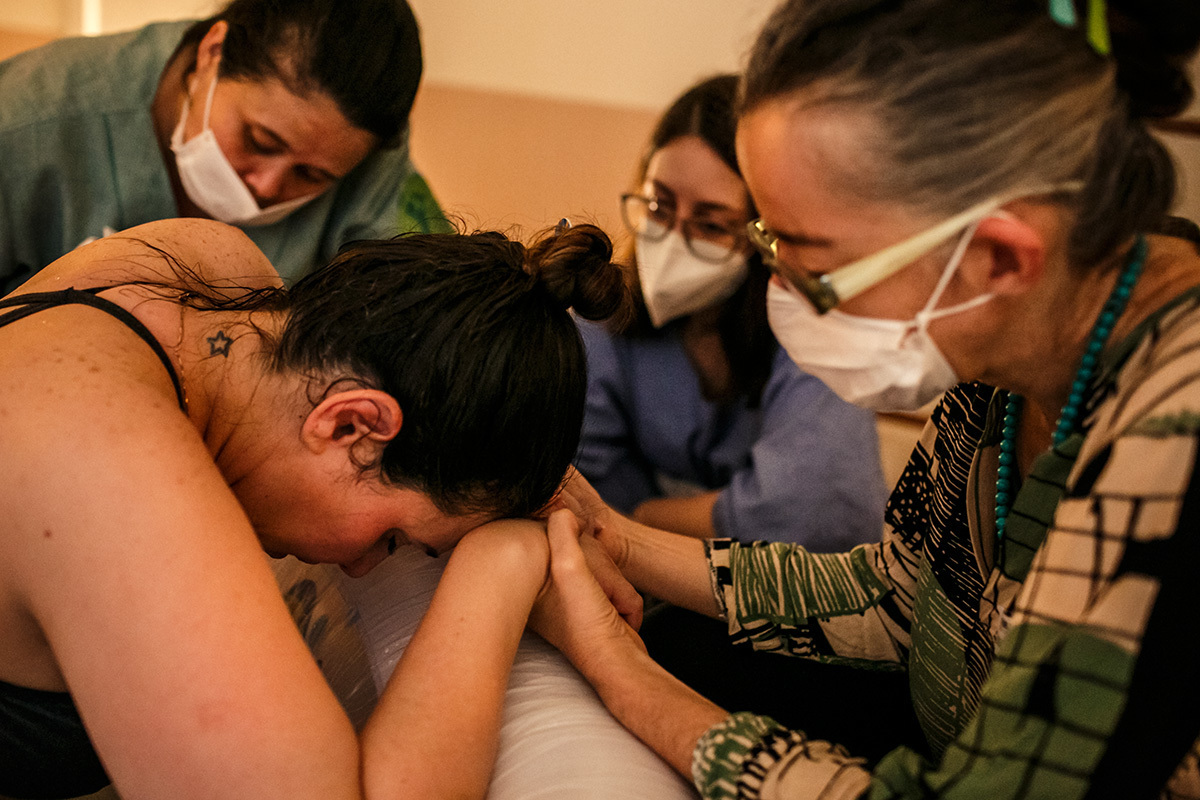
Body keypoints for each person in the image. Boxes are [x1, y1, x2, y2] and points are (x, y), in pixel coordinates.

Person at [529, 1, 1200, 798]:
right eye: (770, 247)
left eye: (813, 262)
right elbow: (898, 592)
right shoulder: (1001, 363)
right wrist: (616, 536)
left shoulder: (1172, 430)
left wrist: (623, 676)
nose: (779, 293)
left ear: (998, 256)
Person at [0, 216, 635, 799]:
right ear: (349, 423)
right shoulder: (112, 471)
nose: (364, 567)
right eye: (393, 538)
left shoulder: (210, 269)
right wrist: (504, 558)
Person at [577, 73, 886, 549]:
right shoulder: (606, 316)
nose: (673, 240)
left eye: (711, 224)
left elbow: (814, 513)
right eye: (659, 207)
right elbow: (577, 485)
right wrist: (725, 513)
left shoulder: (812, 329)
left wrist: (639, 516)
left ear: (762, 233)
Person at [0, 0, 445, 295]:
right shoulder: (25, 120)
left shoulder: (375, 166)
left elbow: (437, 324)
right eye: (260, 140)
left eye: (312, 176)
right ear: (213, 51)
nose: (266, 188)